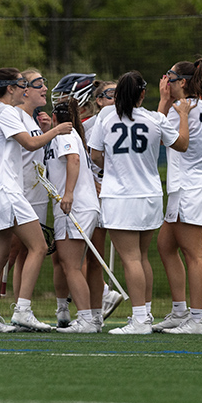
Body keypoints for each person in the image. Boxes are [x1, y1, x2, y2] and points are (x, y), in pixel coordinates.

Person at [88, 70, 192, 334]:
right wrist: (182, 117)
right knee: (142, 257)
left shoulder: (105, 116)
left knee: (131, 259)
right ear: (143, 94)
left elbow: (95, 154)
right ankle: (143, 315)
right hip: (150, 195)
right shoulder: (155, 119)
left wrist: (111, 168)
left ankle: (139, 321)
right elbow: (181, 145)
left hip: (120, 196)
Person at [0, 68, 71, 333]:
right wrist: (58, 130)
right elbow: (29, 143)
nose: (26, 89)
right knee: (38, 247)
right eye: (22, 85)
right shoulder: (5, 112)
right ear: (10, 88)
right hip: (6, 191)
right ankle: (23, 311)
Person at [153, 59, 202, 335]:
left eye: (171, 76)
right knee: (166, 245)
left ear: (183, 82)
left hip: (192, 186)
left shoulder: (186, 109)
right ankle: (179, 312)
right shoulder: (187, 107)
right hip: (182, 186)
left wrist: (163, 102)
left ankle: (197, 319)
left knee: (193, 253)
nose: (166, 80)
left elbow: (157, 134)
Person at [46, 98, 101, 333]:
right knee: (63, 261)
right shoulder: (66, 135)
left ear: (55, 116)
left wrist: (68, 194)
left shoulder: (65, 136)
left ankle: (87, 320)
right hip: (76, 206)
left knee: (71, 266)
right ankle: (83, 316)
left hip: (74, 206)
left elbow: (74, 160)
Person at [81, 80, 125, 323]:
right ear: (98, 100)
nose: (116, 99)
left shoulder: (131, 123)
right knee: (92, 256)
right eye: (110, 95)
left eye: (120, 94)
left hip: (121, 195)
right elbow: (78, 160)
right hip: (92, 197)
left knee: (132, 254)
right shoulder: (87, 126)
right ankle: (93, 313)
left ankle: (144, 313)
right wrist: (92, 183)